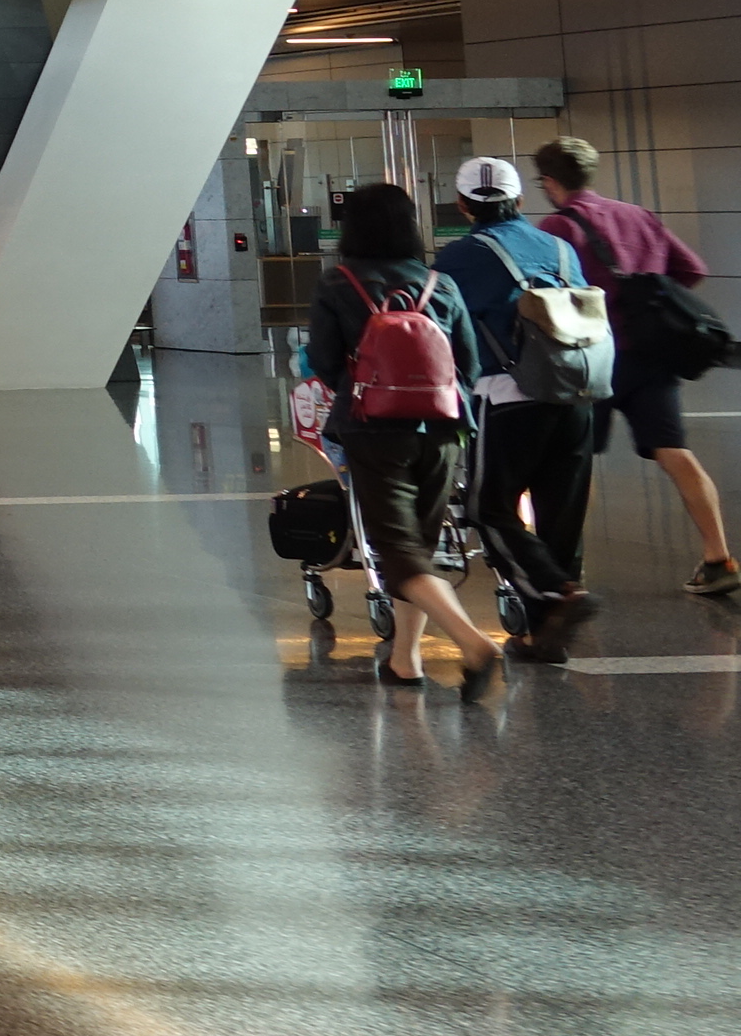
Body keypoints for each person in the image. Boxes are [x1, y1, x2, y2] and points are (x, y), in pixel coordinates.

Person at [305, 182, 505, 694]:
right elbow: (470, 364)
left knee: (397, 550)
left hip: (373, 429)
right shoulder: (441, 284)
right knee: (421, 543)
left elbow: (325, 364)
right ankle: (406, 659)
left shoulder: (338, 284)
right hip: (442, 430)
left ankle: (473, 642)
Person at [532, 138, 740, 594]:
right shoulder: (637, 216)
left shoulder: (556, 226)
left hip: (594, 359)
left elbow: (546, 292)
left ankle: (564, 571)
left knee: (575, 462)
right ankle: (719, 557)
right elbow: (691, 269)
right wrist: (649, 298)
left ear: (549, 182)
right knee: (675, 454)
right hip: (651, 358)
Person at [437, 157, 603, 659]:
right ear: (520, 201)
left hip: (507, 396)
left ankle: (556, 593)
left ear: (464, 205)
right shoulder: (560, 247)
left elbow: (442, 327)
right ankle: (544, 635)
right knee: (561, 514)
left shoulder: (457, 258)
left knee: (488, 509)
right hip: (575, 394)